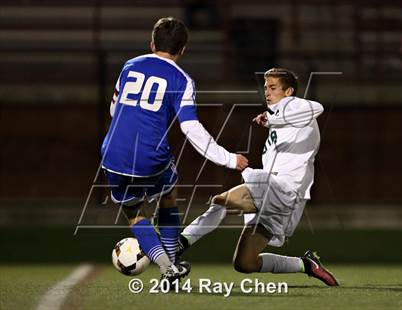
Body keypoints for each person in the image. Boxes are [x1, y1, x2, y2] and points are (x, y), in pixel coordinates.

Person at [101, 17, 248, 283]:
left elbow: (114, 109)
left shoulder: (130, 65)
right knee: (168, 194)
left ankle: (167, 266)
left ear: (152, 43)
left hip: (112, 154)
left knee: (135, 213)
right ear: (183, 50)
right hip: (150, 157)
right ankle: (171, 262)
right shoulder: (181, 79)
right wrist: (228, 159)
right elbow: (191, 128)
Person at [177, 68, 339, 286]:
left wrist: (272, 119)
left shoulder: (293, 105)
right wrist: (272, 119)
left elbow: (317, 107)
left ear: (289, 91)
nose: (267, 92)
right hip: (281, 196)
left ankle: (180, 243)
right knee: (245, 263)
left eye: (273, 88)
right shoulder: (280, 119)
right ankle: (306, 265)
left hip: (284, 189)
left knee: (222, 201)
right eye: (265, 87)